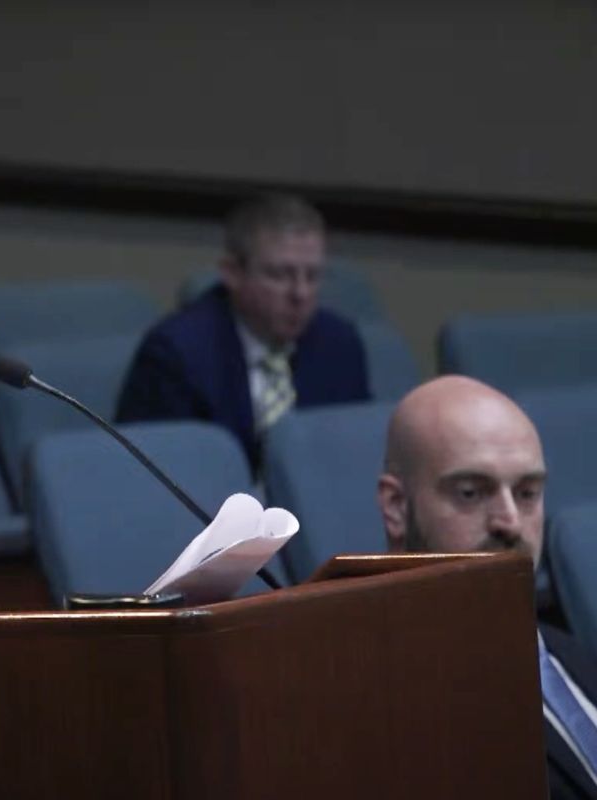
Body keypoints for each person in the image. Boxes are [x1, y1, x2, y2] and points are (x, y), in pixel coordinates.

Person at [378, 375, 597, 800]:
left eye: (528, 492)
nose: (510, 522)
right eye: (471, 493)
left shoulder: (568, 650)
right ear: (396, 506)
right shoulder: (379, 697)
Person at [116, 193, 370, 466]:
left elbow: (352, 461)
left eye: (312, 276)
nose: (300, 293)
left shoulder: (339, 344)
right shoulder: (176, 354)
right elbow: (154, 473)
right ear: (232, 273)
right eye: (280, 275)